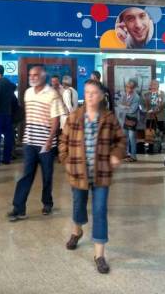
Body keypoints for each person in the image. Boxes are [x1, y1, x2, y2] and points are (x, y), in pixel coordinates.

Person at [59, 79, 126, 275]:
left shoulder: (109, 118)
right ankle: (77, 231)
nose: (89, 96)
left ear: (102, 96)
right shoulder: (74, 117)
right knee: (78, 205)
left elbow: (121, 141)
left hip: (101, 173)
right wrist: (66, 159)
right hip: (78, 171)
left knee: (99, 211)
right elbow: (63, 140)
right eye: (87, 92)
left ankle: (99, 255)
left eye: (94, 93)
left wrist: (116, 154)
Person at [8, 65, 65, 221]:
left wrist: (49, 141)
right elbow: (30, 116)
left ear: (43, 76)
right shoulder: (27, 93)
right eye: (30, 75)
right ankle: (18, 208)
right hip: (30, 141)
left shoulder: (52, 94)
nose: (32, 77)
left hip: (46, 143)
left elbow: (55, 120)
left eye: (35, 75)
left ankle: (47, 203)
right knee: (26, 175)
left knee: (47, 176)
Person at [117, 80, 140, 162]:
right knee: (125, 137)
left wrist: (123, 107)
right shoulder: (123, 94)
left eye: (131, 88)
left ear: (133, 88)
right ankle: (126, 154)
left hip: (132, 120)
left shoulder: (136, 97)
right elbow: (118, 105)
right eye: (127, 87)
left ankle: (133, 156)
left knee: (132, 138)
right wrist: (126, 106)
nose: (128, 89)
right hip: (123, 119)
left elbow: (132, 110)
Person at [141, 80, 165, 152]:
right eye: (152, 84)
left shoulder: (162, 93)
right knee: (150, 132)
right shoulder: (145, 94)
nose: (153, 86)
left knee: (160, 132)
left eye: (155, 84)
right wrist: (146, 110)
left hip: (159, 116)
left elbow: (164, 103)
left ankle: (159, 147)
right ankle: (150, 148)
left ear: (158, 86)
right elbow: (142, 104)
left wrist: (156, 110)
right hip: (149, 116)